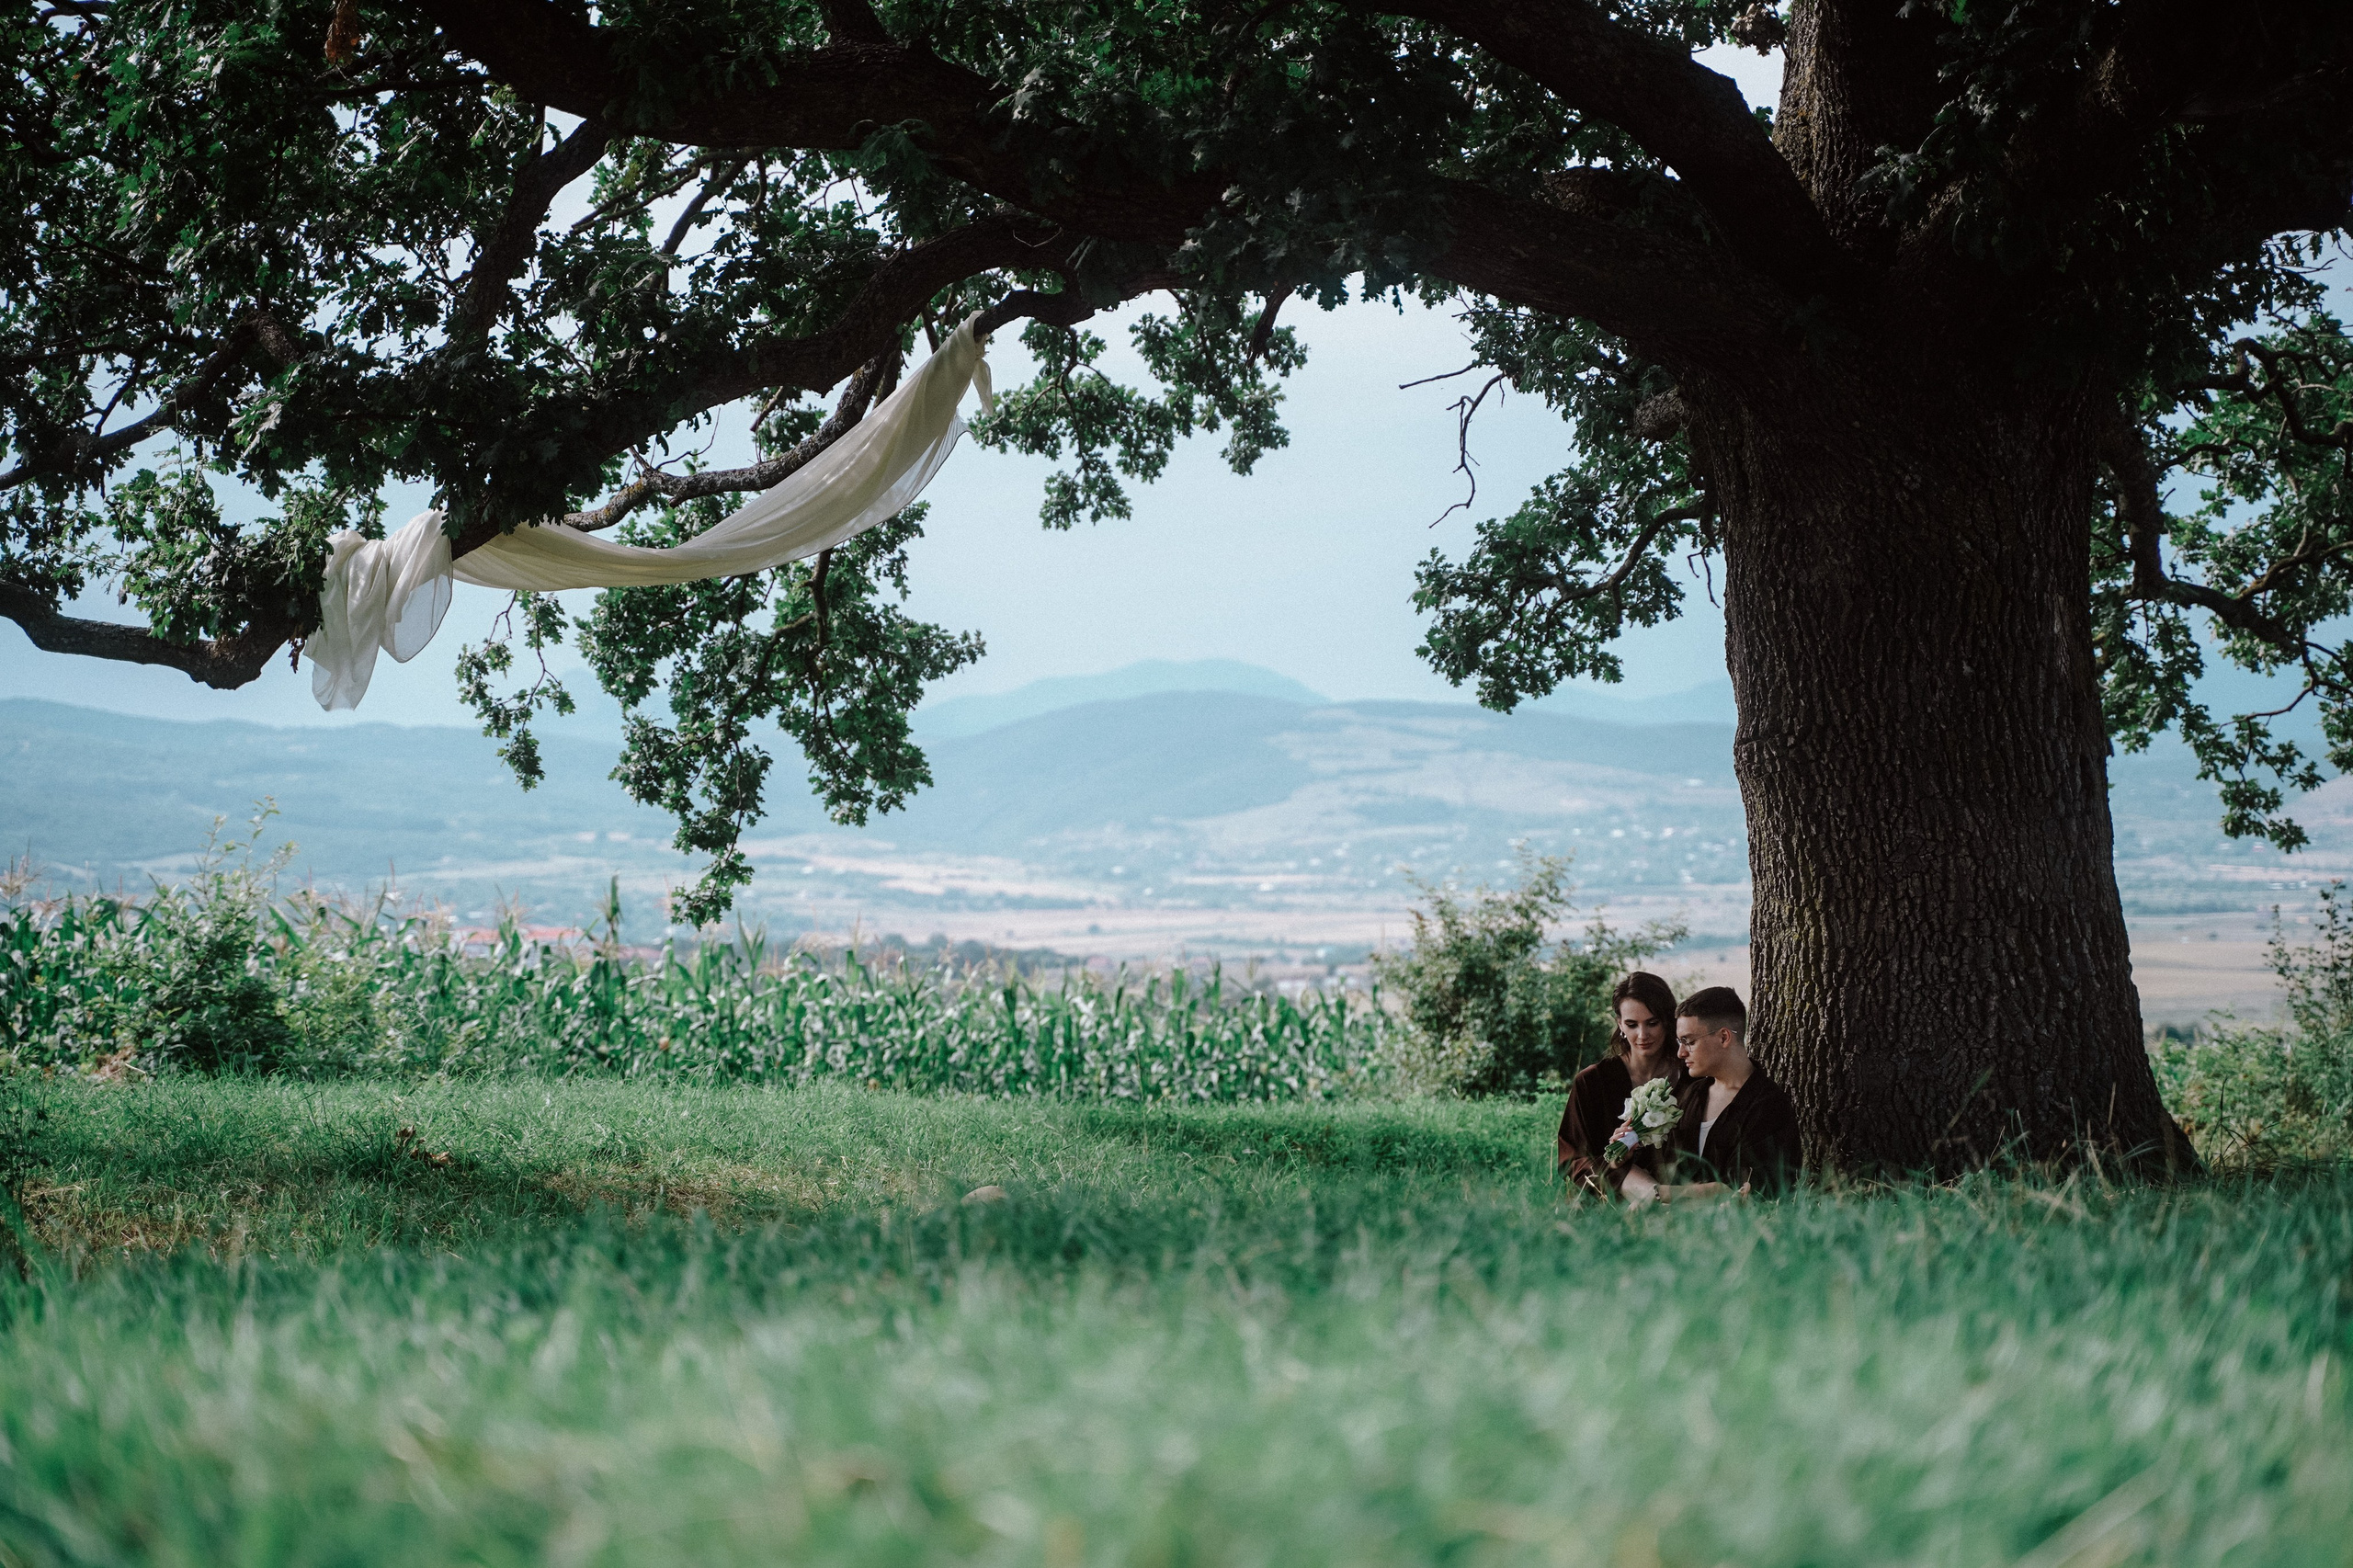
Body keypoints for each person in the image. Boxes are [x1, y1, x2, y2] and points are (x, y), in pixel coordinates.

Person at [1620, 985, 1802, 1206]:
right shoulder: (1690, 1094)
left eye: (1689, 1041)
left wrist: (1658, 1195)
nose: (1681, 1053)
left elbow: (1740, 1191)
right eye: (1680, 1042)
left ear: (1724, 1037)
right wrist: (1625, 1150)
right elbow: (1652, 1166)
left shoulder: (1768, 1107)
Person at [1558, 971, 1687, 1199]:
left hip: (1683, 1187)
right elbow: (1572, 1160)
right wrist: (1615, 1162)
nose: (1642, 1035)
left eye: (1652, 1023)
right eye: (1631, 1024)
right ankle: (1657, 1198)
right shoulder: (1591, 1082)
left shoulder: (1690, 1077)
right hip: (1611, 1198)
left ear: (1668, 1021)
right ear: (1619, 1024)